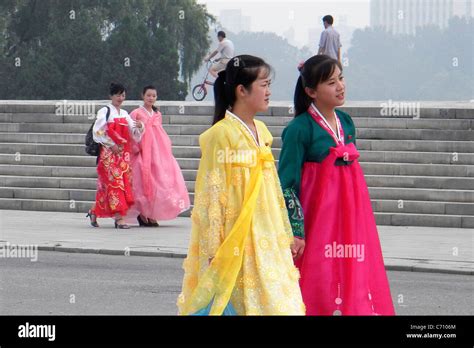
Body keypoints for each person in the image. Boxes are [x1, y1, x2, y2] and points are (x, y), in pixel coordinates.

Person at [177, 55, 305, 315]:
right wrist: (214, 248)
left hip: (267, 235)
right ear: (242, 90)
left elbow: (272, 188)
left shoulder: (262, 132)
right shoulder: (220, 136)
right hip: (238, 240)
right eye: (264, 85)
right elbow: (211, 193)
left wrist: (285, 230)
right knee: (246, 303)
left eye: (269, 85)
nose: (269, 91)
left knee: (280, 301)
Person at [278, 55, 395, 315]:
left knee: (352, 271)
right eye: (331, 82)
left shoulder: (346, 122)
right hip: (316, 223)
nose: (340, 86)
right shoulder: (299, 129)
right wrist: (296, 230)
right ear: (311, 91)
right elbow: (286, 183)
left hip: (349, 220)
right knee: (318, 278)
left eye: (340, 78)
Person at [125, 85, 190, 227]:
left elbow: (160, 133)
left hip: (158, 152)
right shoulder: (136, 113)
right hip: (143, 151)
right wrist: (140, 131)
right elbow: (129, 133)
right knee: (142, 182)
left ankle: (152, 213)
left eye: (153, 96)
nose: (151, 98)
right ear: (143, 96)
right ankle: (143, 214)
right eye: (148, 95)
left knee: (158, 182)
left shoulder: (157, 114)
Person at [86, 83, 144, 229]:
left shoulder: (125, 114)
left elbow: (134, 134)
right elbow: (97, 131)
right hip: (108, 154)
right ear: (110, 96)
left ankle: (94, 211)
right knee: (115, 184)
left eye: (123, 95)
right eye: (117, 94)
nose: (120, 98)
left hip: (123, 155)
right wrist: (111, 144)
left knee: (116, 186)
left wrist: (140, 127)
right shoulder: (104, 111)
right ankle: (119, 219)